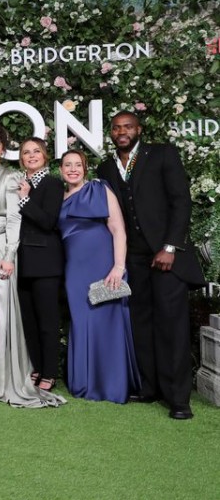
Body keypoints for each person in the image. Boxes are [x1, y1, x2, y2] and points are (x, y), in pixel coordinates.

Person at [96, 111, 206, 419]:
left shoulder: (162, 154)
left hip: (166, 256)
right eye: (117, 128)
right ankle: (149, 387)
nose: (122, 132)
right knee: (140, 324)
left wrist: (170, 246)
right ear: (111, 133)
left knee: (171, 325)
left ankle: (179, 400)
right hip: (134, 259)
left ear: (138, 129)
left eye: (127, 127)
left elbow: (181, 201)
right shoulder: (106, 167)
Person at [0, 126, 64, 407]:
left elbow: (15, 219)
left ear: (3, 149)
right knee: (4, 313)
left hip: (2, 246)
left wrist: (10, 254)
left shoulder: (12, 177)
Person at [59, 149, 139, 404]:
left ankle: (112, 385)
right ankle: (84, 382)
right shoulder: (58, 198)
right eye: (67, 165)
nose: (73, 169)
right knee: (82, 322)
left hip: (104, 265)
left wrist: (118, 266)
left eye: (77, 165)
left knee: (108, 323)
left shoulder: (99, 189)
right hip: (74, 270)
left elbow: (118, 228)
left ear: (85, 168)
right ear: (60, 170)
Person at [16, 137, 66, 395]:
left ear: (45, 156)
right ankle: (36, 367)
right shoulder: (22, 183)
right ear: (21, 158)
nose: (32, 156)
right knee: (29, 321)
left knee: (47, 320)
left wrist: (24, 200)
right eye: (26, 152)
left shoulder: (53, 183)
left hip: (46, 263)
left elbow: (48, 221)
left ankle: (49, 372)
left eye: (36, 151)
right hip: (22, 262)